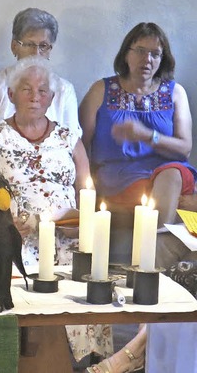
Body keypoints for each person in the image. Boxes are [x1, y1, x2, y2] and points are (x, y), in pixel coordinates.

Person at [0, 56, 113, 363]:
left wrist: (81, 221)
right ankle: (20, 359)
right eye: (26, 88)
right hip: (11, 238)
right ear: (10, 95)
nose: (35, 95)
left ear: (51, 98)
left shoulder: (69, 139)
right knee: (17, 306)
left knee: (92, 281)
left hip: (67, 237)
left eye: (43, 90)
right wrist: (0, 221)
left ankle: (86, 364)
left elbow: (85, 190)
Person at [79, 22, 196, 373]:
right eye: (141, 50)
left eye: (156, 53)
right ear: (126, 53)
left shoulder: (174, 92)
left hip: (164, 176)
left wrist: (147, 135)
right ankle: (164, 235)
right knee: (173, 189)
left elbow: (185, 147)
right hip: (117, 175)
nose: (148, 59)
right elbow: (80, 142)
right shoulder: (102, 89)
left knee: (173, 172)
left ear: (164, 58)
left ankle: (158, 245)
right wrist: (83, 184)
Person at [0, 7, 79, 144]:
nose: (36, 52)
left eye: (43, 45)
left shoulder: (64, 89)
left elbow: (73, 141)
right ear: (14, 46)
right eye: (29, 44)